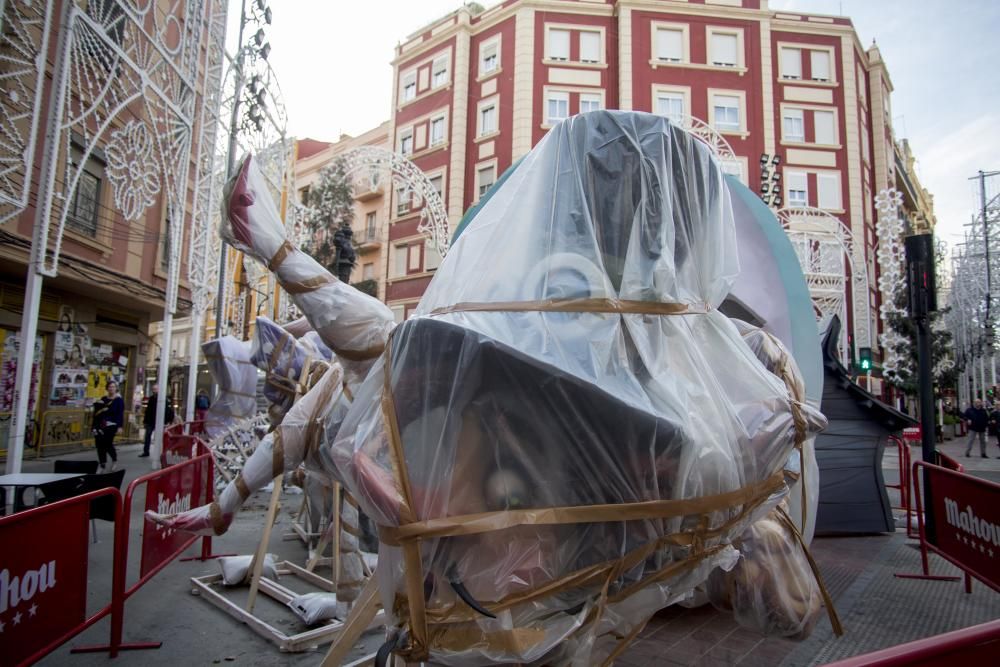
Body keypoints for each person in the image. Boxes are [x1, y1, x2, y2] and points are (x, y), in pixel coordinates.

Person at [93, 380, 125, 471]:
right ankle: (102, 464)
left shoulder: (119, 401)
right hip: (101, 424)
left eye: (113, 387)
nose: (111, 388)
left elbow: (120, 414)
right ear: (107, 388)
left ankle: (114, 460)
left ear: (116, 389)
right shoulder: (103, 399)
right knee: (99, 444)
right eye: (110, 386)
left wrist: (120, 426)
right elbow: (97, 413)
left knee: (107, 443)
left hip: (112, 425)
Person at [141, 386, 174, 457]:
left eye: (155, 389)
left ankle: (162, 452)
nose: (154, 391)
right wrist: (145, 421)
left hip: (160, 421)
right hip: (150, 421)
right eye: (153, 389)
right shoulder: (151, 399)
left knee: (161, 437)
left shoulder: (163, 399)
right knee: (147, 436)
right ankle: (146, 451)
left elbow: (168, 411)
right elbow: (148, 411)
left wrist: (167, 421)